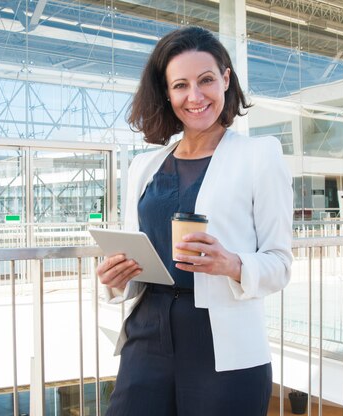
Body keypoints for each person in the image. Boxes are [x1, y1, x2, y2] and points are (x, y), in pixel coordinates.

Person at [96, 26, 293, 416]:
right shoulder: (143, 166)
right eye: (180, 85)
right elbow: (139, 252)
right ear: (167, 94)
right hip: (148, 335)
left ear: (226, 79)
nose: (195, 96)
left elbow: (280, 263)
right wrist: (117, 276)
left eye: (205, 80)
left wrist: (233, 264)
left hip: (223, 347)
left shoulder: (260, 155)